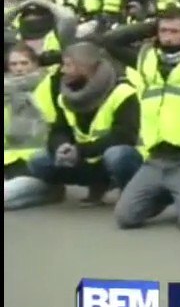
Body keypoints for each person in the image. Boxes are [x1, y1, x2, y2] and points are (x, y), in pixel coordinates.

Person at [99, 9, 180, 231]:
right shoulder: (145, 56)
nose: (168, 36)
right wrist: (151, 25)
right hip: (154, 159)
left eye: (174, 31)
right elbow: (110, 40)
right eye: (163, 30)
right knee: (125, 219)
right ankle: (166, 195)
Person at [5, 42, 143, 209]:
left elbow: (124, 136)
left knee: (118, 155)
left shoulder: (122, 91)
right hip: (84, 156)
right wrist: (60, 147)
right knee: (39, 161)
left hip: (114, 155)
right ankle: (96, 185)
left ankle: (129, 192)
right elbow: (59, 129)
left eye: (68, 65)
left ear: (85, 68)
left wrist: (80, 150)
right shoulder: (66, 94)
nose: (63, 70)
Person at [3, 44, 49, 180]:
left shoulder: (45, 84)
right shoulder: (7, 90)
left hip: (35, 158)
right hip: (9, 158)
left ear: (35, 64)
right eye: (14, 64)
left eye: (24, 63)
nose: (19, 68)